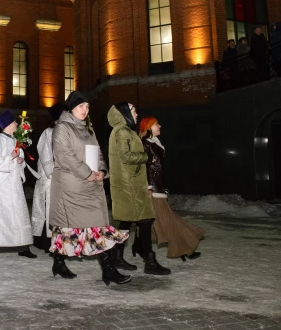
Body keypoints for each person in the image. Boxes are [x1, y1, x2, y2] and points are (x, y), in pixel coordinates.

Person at [48, 92, 130, 284]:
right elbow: (65, 156)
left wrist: (101, 170)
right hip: (70, 188)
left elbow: (98, 153)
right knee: (72, 228)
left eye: (87, 106)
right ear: (71, 108)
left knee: (97, 225)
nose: (85, 110)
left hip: (91, 186)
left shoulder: (89, 129)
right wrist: (87, 173)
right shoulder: (62, 129)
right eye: (80, 106)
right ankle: (66, 263)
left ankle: (105, 269)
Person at [108, 102, 171, 275]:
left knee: (133, 221)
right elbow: (125, 156)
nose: (136, 114)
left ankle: (118, 256)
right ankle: (148, 261)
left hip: (133, 182)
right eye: (134, 111)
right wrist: (147, 156)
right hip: (130, 185)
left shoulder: (126, 131)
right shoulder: (122, 131)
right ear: (125, 113)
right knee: (143, 220)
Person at [139, 117, 205, 260]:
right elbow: (145, 167)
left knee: (158, 222)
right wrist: (149, 187)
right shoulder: (146, 144)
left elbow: (159, 168)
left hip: (159, 187)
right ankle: (183, 248)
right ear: (149, 127)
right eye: (157, 124)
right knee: (167, 221)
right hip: (153, 189)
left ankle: (139, 246)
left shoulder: (156, 144)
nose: (160, 126)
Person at [0, 110, 37, 258]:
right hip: (1, 184)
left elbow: (19, 159)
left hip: (14, 183)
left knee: (18, 213)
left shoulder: (16, 141)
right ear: (9, 124)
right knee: (3, 214)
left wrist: (20, 161)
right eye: (14, 122)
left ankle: (23, 246)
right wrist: (11, 157)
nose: (17, 124)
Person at [31, 103, 64, 252]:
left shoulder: (65, 132)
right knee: (47, 208)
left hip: (62, 177)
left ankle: (59, 239)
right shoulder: (48, 132)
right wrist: (53, 171)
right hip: (49, 177)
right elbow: (44, 153)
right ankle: (44, 241)